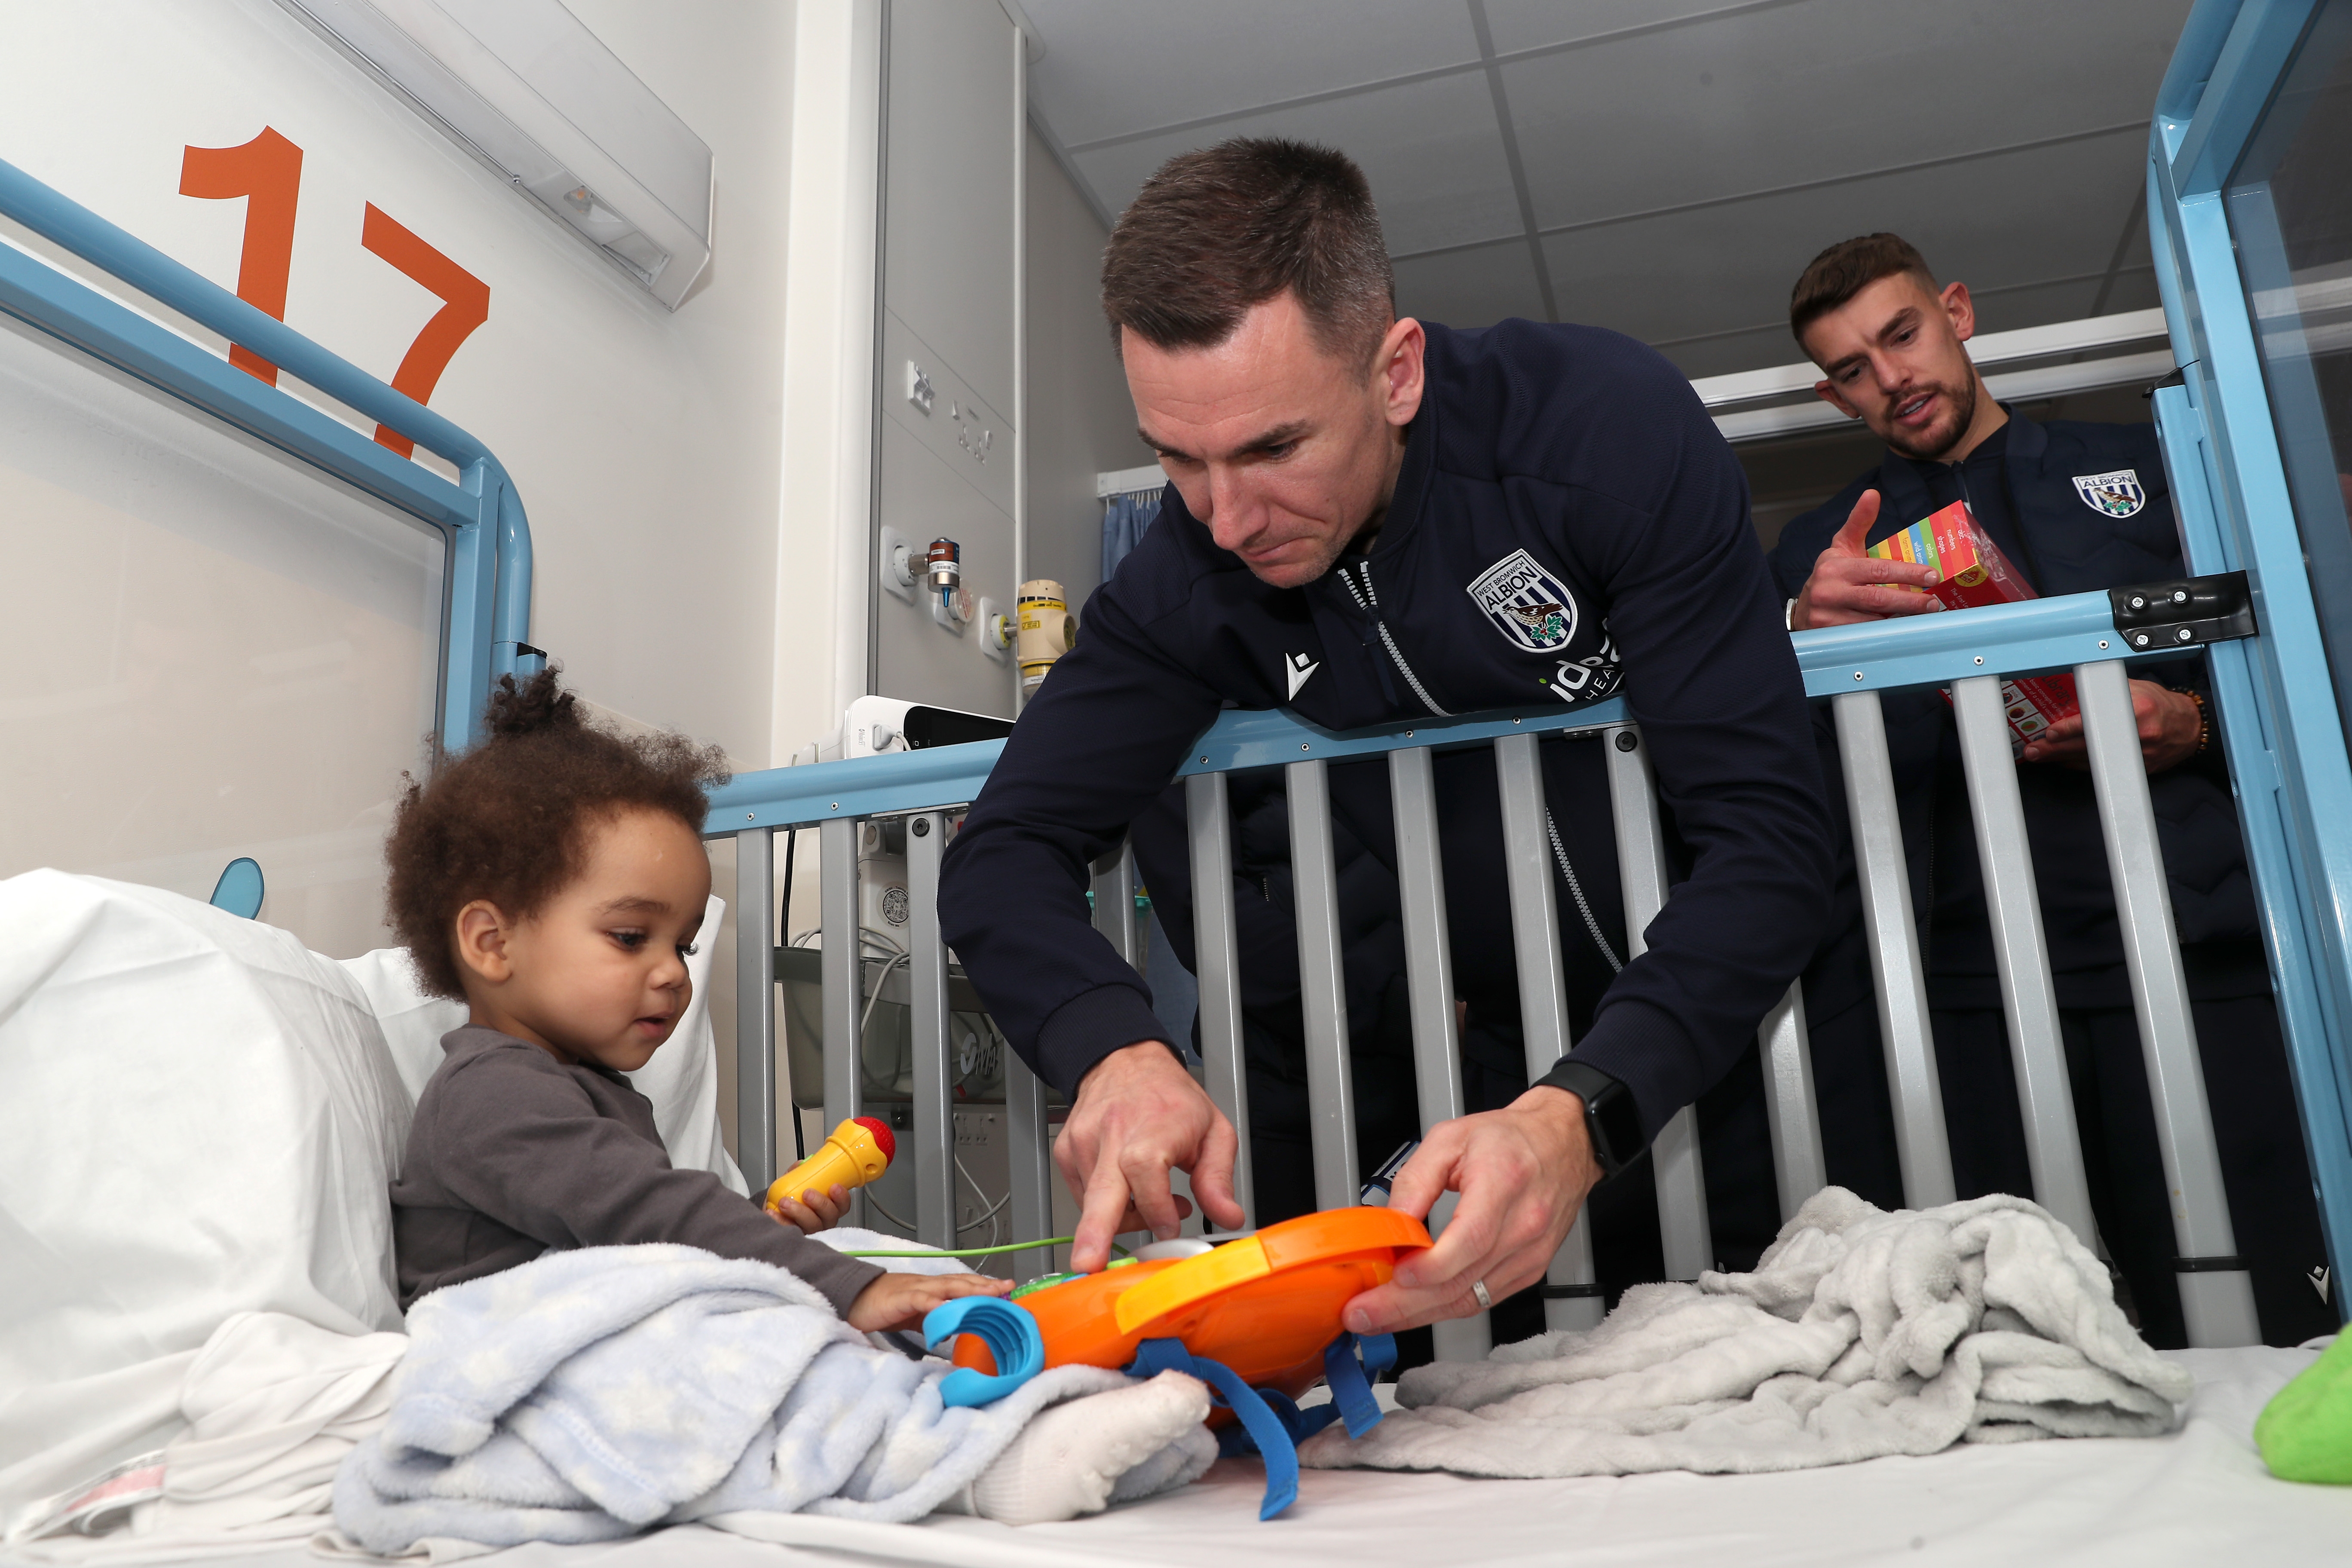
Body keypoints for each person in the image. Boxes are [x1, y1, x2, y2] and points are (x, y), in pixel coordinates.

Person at [940, 138, 1831, 1340]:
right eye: (1178, 459)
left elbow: (1771, 842)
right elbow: (1004, 852)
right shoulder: (1185, 574)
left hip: (1732, 1028)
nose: (1230, 517)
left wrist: (1582, 1117)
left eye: (1273, 447)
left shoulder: (1597, 433)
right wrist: (1117, 1051)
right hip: (1486, 1079)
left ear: (1396, 372)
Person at [1767, 233, 2332, 1346]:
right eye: (1851, 370)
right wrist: (1795, 630)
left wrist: (2198, 720)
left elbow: (2298, 670)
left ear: (1958, 313)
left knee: (2262, 1303)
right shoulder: (1820, 551)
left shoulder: (2153, 467)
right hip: (1962, 989)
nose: (1892, 380)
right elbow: (1747, 751)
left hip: (2193, 948)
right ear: (1831, 397)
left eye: (1903, 335)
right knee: (2020, 1328)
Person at [383, 670, 1005, 1333]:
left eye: (681, 946)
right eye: (630, 938)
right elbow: (652, 1213)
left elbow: (654, 1239)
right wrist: (852, 1288)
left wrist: (762, 1221)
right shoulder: (493, 1095)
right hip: (506, 1351)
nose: (673, 975)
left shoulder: (583, 1086)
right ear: (492, 943)